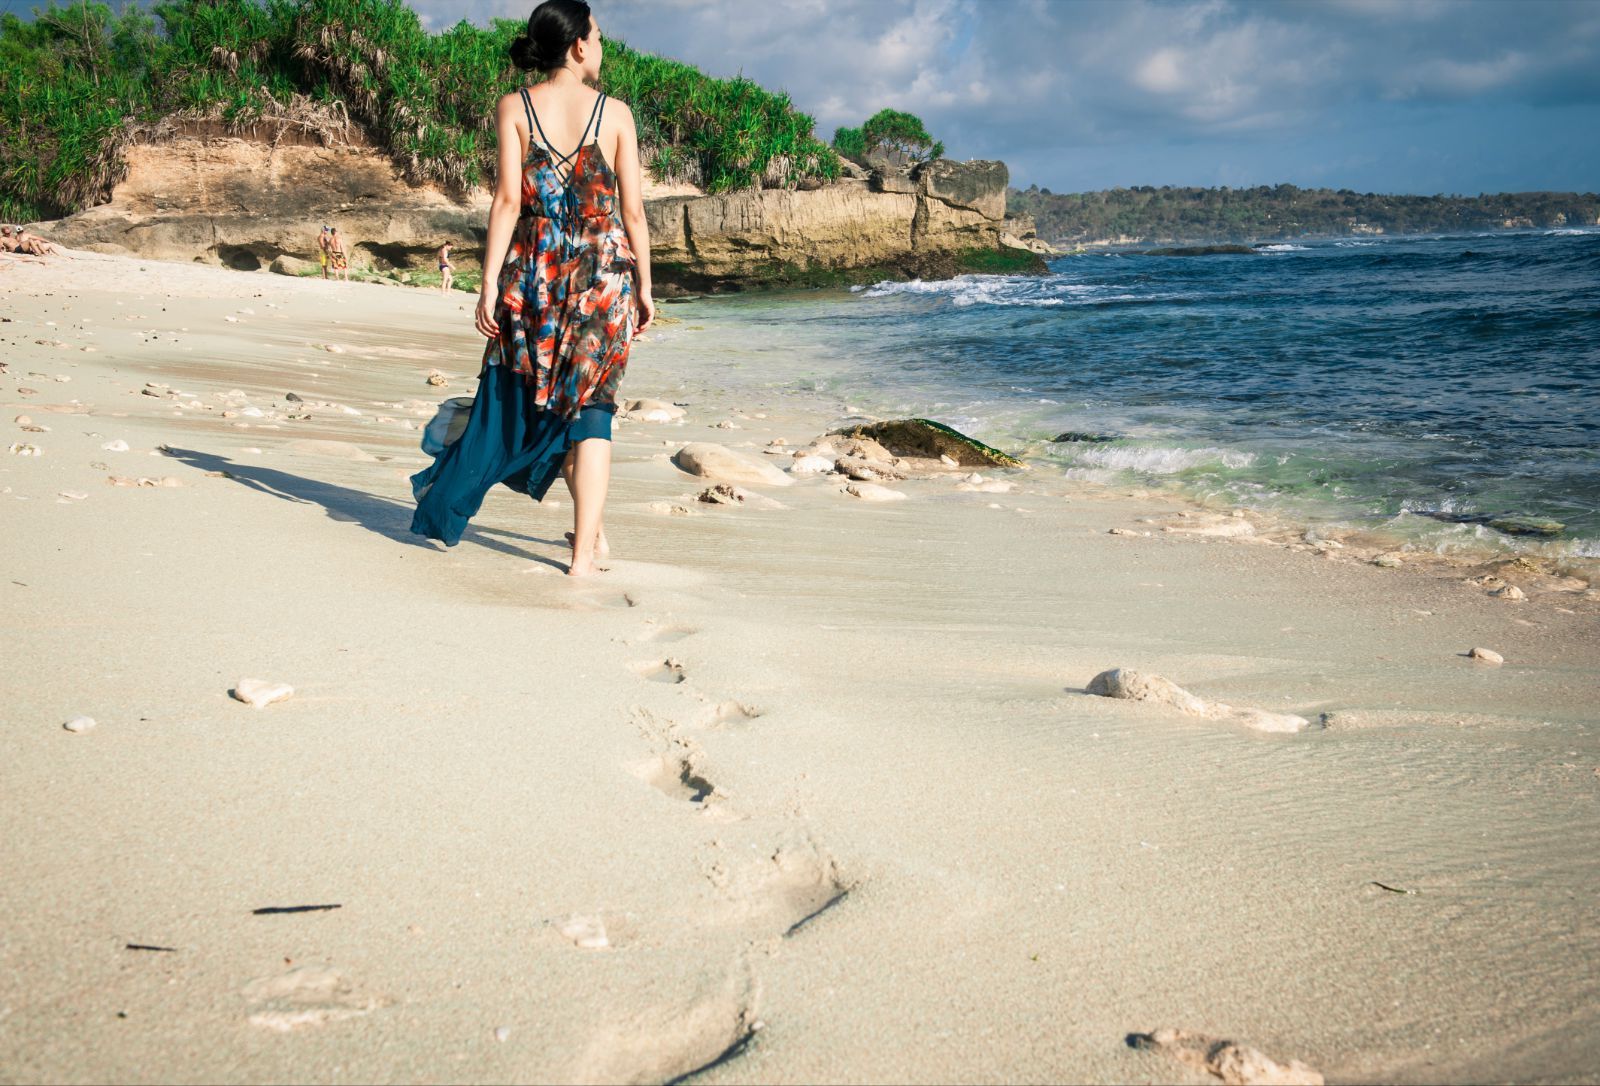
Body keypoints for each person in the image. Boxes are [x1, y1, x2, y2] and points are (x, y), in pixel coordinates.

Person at [410, 0, 654, 576]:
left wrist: (489, 284)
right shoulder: (616, 114)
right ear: (577, 45)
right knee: (592, 411)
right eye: (597, 37)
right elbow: (634, 213)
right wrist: (645, 284)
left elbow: (506, 201)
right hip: (603, 277)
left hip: (536, 275)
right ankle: (581, 556)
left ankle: (589, 534)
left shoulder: (515, 108)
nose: (601, 47)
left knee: (543, 404)